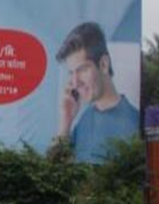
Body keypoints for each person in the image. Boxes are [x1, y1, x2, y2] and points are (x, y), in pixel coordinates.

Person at [55, 22, 139, 163]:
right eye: (71, 73)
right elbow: (52, 171)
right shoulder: (84, 120)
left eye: (82, 69)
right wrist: (66, 121)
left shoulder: (134, 126)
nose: (75, 83)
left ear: (104, 65)